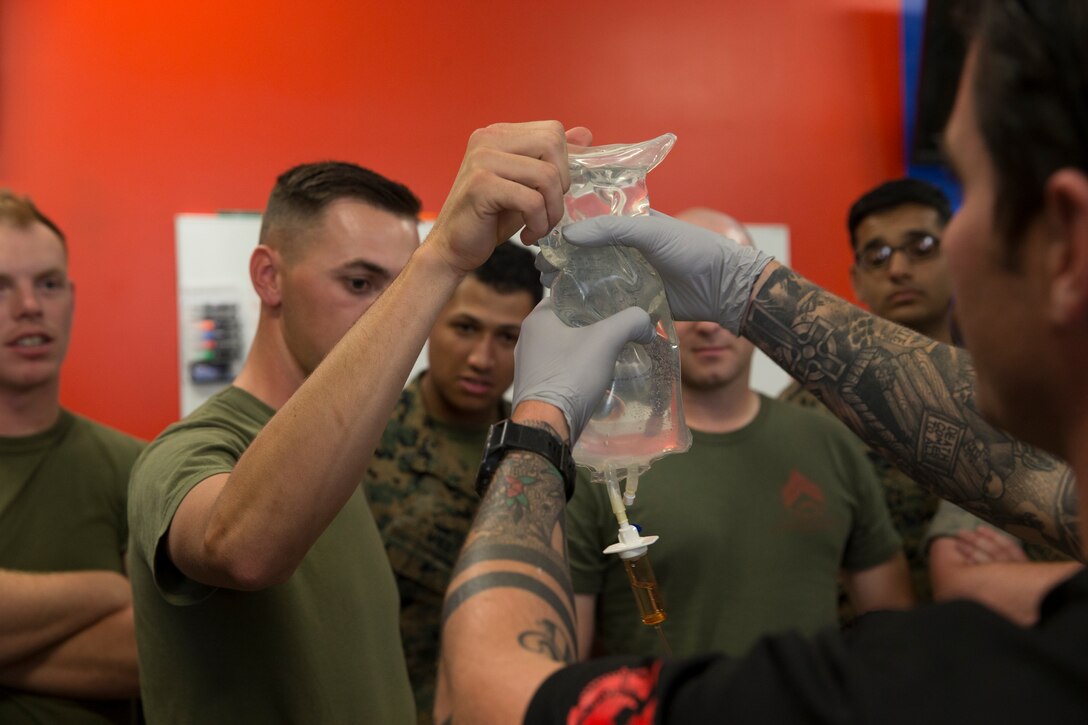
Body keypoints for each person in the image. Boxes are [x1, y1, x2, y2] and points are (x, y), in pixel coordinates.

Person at [436, 2, 1088, 721]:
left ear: (1065, 240)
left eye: (967, 192)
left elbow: (483, 692)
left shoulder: (931, 685)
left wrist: (537, 424)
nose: (945, 246)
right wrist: (751, 292)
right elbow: (1026, 471)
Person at [127, 122, 581, 724]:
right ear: (269, 278)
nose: (391, 315)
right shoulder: (195, 447)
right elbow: (243, 550)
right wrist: (438, 257)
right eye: (361, 283)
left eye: (400, 289)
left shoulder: (352, 450)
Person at [566, 209, 912, 662]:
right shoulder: (604, 460)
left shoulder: (831, 443)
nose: (709, 322)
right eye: (684, 294)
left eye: (722, 290)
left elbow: (894, 633)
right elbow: (561, 661)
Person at [363, 241, 541, 723]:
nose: (482, 358)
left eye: (508, 337)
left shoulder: (538, 457)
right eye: (466, 328)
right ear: (431, 321)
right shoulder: (362, 444)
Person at [0, 191, 143, 724]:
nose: (30, 306)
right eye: (1, 286)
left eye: (49, 284)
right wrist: (104, 590)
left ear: (72, 299)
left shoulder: (136, 468)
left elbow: (155, 654)